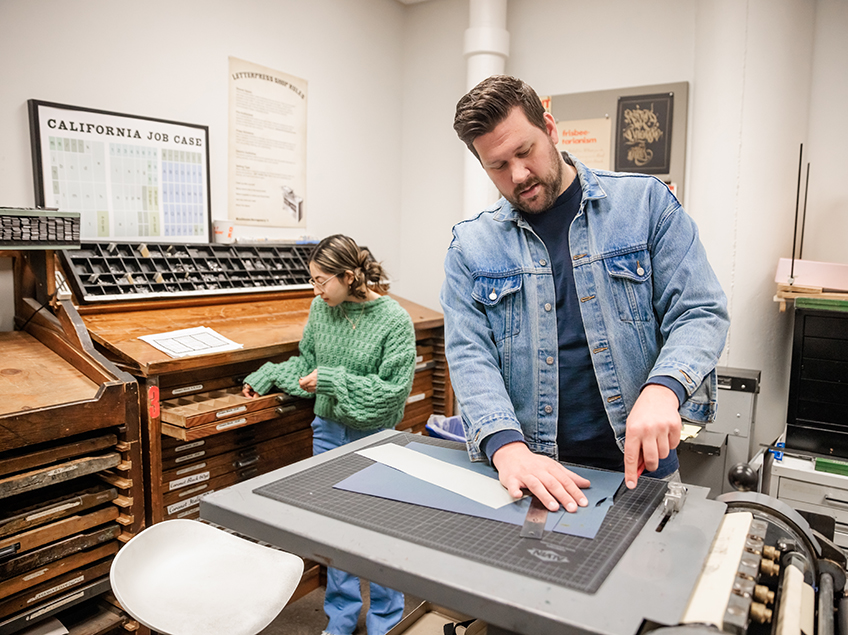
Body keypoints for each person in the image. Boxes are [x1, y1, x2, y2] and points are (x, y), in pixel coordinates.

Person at [441, 75, 729, 514]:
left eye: (525, 152)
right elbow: (469, 354)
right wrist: (506, 447)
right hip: (534, 470)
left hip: (643, 469)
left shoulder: (645, 203)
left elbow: (700, 311)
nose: (518, 175)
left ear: (551, 129)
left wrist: (664, 389)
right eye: (498, 166)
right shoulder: (470, 246)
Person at [242, 234, 416, 635]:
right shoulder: (321, 310)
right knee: (334, 535)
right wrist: (269, 374)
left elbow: (391, 395)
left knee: (378, 533)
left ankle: (385, 622)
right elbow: (308, 365)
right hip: (327, 432)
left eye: (322, 280)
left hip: (374, 438)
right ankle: (339, 621)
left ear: (350, 276)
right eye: (312, 280)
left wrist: (334, 379)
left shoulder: (394, 320)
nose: (315, 289)